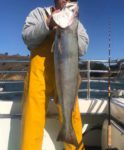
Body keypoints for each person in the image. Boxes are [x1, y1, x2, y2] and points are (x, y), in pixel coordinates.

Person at [21, 0, 89, 150]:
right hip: (38, 76)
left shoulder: (77, 24)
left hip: (67, 76)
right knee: (32, 120)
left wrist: (70, 29)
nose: (67, 0)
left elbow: (83, 48)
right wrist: (48, 23)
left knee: (72, 116)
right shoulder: (38, 13)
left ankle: (71, 139)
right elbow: (26, 37)